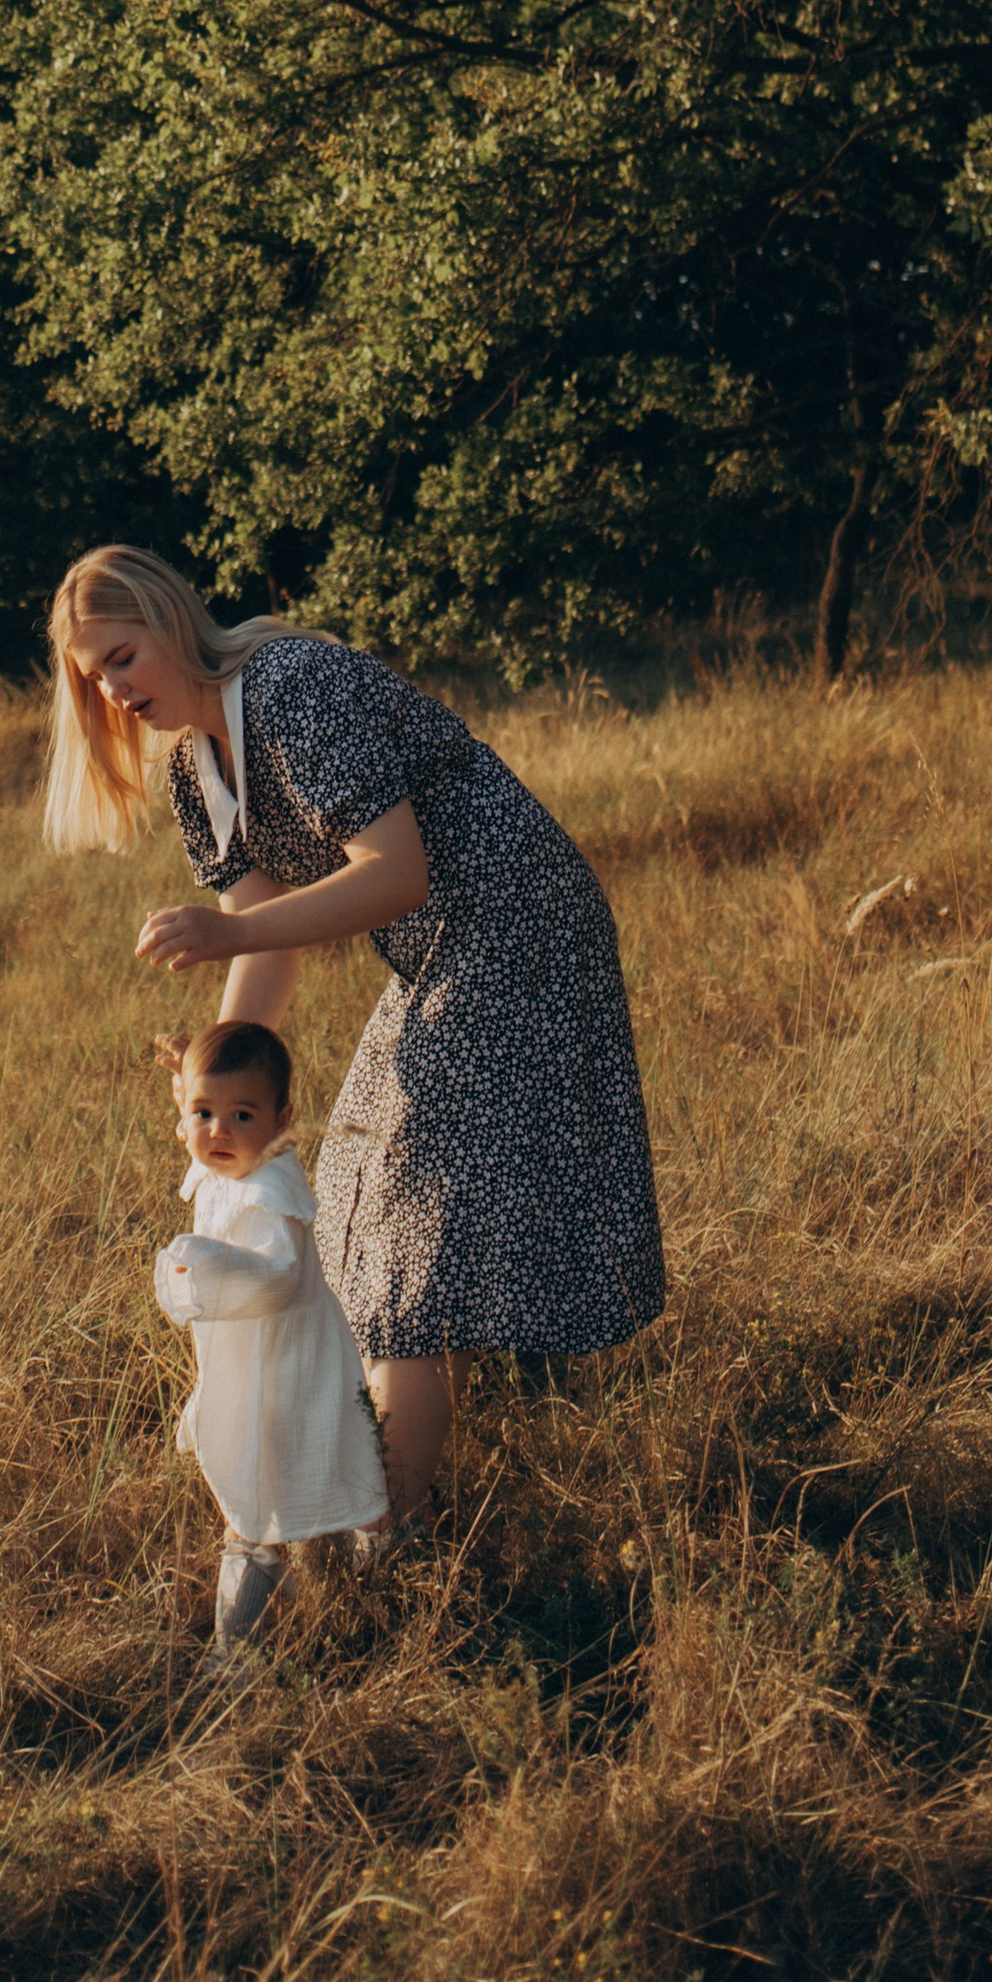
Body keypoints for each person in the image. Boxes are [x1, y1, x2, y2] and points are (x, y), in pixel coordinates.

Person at [47, 545, 664, 1524]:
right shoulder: (196, 773)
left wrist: (229, 933)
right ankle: (384, 1499)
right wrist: (213, 1089)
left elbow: (394, 872)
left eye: (123, 658)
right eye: (94, 678)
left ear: (170, 623)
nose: (114, 690)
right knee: (346, 1201)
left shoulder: (292, 686)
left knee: (402, 1219)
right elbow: (269, 949)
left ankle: (387, 1529)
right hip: (435, 956)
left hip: (521, 922)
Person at [156, 1019, 389, 1652]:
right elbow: (204, 1117)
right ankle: (324, 1586)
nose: (218, 1132)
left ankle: (245, 1644)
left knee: (268, 1492)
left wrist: (204, 1264)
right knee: (271, 1480)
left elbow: (279, 1277)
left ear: (282, 1123)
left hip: (291, 1368)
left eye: (242, 1115)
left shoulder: (270, 1189)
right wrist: (188, 1077)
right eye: (204, 1114)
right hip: (247, 1363)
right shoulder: (224, 1159)